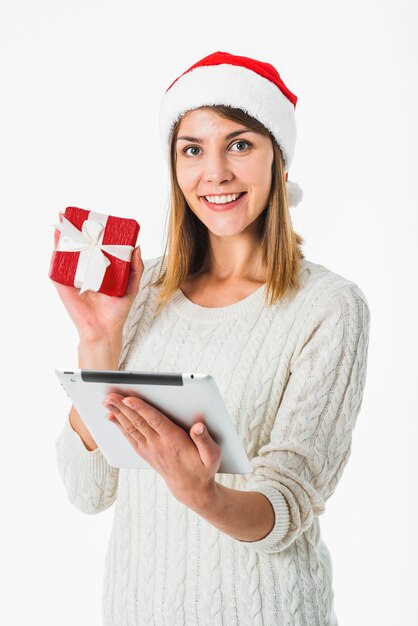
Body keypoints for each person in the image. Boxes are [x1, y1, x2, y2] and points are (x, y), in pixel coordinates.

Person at [53, 51, 371, 626]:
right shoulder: (141, 290)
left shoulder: (328, 307)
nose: (215, 172)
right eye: (193, 149)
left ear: (279, 160)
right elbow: (88, 491)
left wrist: (204, 493)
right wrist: (99, 343)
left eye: (241, 144)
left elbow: (290, 500)